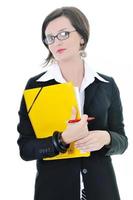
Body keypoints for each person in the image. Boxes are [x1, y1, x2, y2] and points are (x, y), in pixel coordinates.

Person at [17, 6, 128, 200]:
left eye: (63, 34)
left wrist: (106, 138)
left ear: (82, 37)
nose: (56, 42)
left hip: (102, 191)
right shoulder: (36, 86)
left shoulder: (106, 84)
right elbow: (25, 148)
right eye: (50, 38)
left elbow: (122, 141)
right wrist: (61, 140)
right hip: (53, 191)